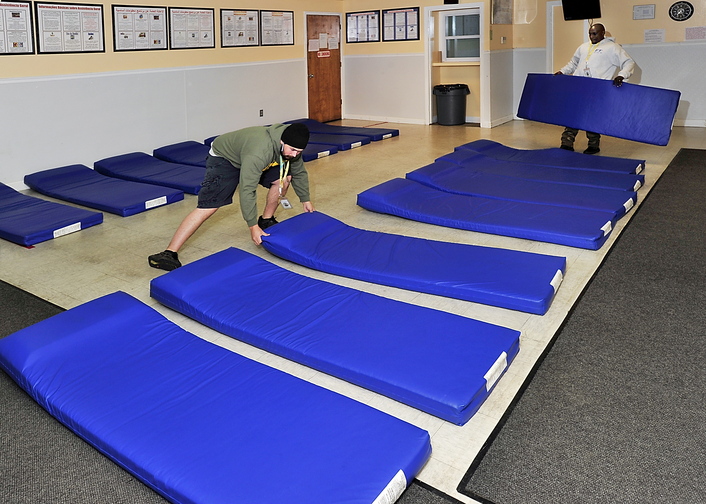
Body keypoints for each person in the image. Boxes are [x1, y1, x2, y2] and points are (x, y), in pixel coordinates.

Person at [148, 123, 314, 271]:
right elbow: (247, 189)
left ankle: (267, 219)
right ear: (282, 142)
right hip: (225, 158)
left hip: (248, 155)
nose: (294, 155)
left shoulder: (292, 147)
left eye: (298, 152)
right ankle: (169, 253)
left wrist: (305, 199)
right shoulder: (259, 152)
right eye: (293, 150)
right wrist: (252, 226)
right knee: (209, 206)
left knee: (283, 180)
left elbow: (299, 171)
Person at [554, 23, 635, 154]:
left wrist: (621, 76)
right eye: (590, 34)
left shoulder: (613, 48)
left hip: (598, 88)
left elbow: (628, 63)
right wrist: (562, 71)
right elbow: (573, 63)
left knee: (592, 117)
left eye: (595, 33)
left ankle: (593, 145)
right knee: (573, 115)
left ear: (603, 32)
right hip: (579, 86)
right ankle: (566, 143)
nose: (592, 36)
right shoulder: (583, 47)